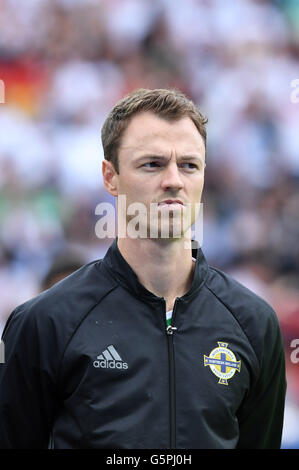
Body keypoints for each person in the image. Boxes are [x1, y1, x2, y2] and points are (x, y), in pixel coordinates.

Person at [0, 88, 286, 449]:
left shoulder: (253, 322)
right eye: (152, 164)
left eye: (188, 165)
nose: (174, 180)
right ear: (110, 176)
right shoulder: (45, 322)